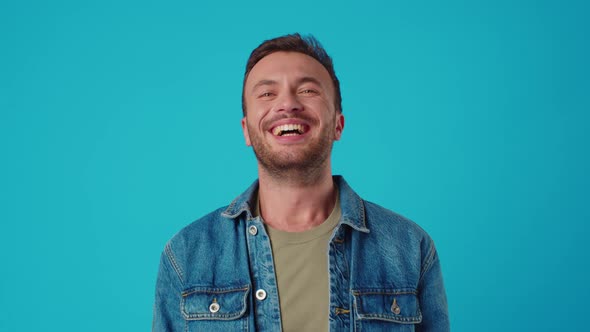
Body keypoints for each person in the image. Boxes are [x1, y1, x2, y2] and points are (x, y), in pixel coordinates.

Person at [152, 33, 450, 332]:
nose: (288, 104)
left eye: (307, 90)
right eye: (267, 93)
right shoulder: (186, 255)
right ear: (246, 130)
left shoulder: (409, 248)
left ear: (337, 124)